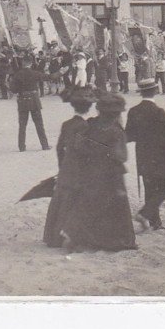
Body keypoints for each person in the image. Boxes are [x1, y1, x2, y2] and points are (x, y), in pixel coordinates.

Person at [60, 93, 137, 252]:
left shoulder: (90, 125)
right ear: (116, 114)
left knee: (90, 204)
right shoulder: (116, 131)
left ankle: (77, 235)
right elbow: (121, 156)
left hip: (91, 172)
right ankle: (112, 241)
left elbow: (78, 146)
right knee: (116, 206)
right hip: (111, 175)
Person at [125, 77, 165, 231]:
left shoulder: (133, 111)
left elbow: (128, 136)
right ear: (155, 91)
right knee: (164, 187)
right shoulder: (159, 112)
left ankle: (155, 222)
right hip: (161, 157)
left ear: (141, 92)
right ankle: (144, 214)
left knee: (149, 189)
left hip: (143, 157)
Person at [42, 86, 95, 247]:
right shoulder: (86, 127)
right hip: (80, 167)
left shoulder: (66, 124)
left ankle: (54, 236)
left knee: (62, 199)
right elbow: (85, 150)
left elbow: (59, 148)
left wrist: (62, 165)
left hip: (67, 166)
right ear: (89, 108)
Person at [8, 53, 50, 152]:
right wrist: (61, 72)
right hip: (34, 100)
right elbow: (49, 77)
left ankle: (22, 147)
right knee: (39, 124)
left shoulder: (18, 74)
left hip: (22, 101)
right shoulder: (35, 73)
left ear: (23, 63)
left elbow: (13, 90)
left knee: (22, 125)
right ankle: (45, 145)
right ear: (31, 63)